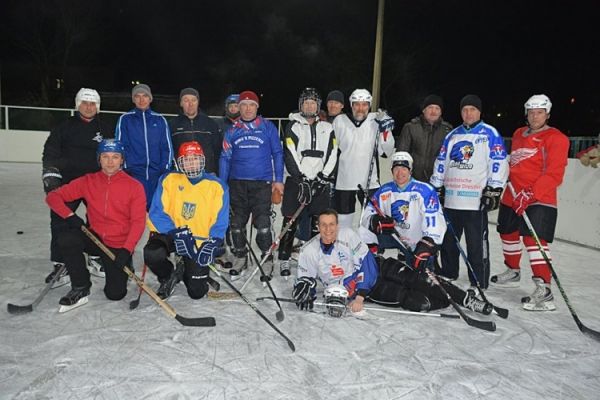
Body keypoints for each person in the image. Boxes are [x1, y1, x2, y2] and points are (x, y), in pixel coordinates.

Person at [293, 209, 491, 316]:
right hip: (369, 289)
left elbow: (367, 263)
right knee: (416, 301)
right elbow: (305, 280)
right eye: (323, 225)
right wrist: (304, 292)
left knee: (418, 279)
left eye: (332, 225)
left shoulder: (347, 235)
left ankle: (465, 299)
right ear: (317, 226)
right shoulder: (308, 251)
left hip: (376, 269)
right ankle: (448, 299)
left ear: (337, 225)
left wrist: (360, 296)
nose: (328, 230)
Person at [45, 139, 146, 312]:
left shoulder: (134, 186)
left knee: (115, 294)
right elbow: (53, 197)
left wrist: (126, 250)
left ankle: (125, 265)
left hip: (118, 244)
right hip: (94, 237)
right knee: (67, 238)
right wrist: (70, 216)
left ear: (122, 159)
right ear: (99, 159)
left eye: (115, 157)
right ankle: (81, 287)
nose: (110, 162)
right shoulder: (88, 181)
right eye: (105, 156)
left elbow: (138, 222)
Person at [492, 94, 569, 311]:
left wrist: (530, 193)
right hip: (512, 194)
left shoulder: (557, 138)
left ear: (547, 114)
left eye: (540, 112)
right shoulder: (519, 134)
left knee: (533, 240)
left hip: (539, 197)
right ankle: (513, 271)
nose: (535, 117)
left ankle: (544, 289)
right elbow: (516, 162)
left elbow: (554, 174)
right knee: (507, 232)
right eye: (531, 112)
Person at [430, 94, 509, 289]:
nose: (468, 113)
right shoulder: (452, 135)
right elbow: (441, 162)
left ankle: (478, 279)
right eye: (465, 110)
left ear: (479, 112)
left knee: (476, 244)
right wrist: (437, 186)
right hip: (452, 199)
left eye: (472, 109)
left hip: (475, 201)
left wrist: (494, 189)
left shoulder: (490, 133)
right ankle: (449, 271)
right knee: (449, 241)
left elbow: (498, 162)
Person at [42, 88, 114, 285]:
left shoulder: (106, 128)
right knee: (60, 220)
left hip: (95, 182)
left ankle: (95, 255)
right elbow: (50, 151)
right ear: (77, 104)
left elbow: (114, 154)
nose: (88, 107)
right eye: (84, 103)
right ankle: (61, 262)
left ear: (98, 107)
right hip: (69, 182)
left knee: (98, 220)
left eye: (92, 104)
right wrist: (50, 173)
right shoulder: (64, 127)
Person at [145, 141, 229, 299]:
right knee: (152, 253)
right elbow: (156, 213)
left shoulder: (217, 186)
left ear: (202, 160)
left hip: (197, 242)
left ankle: (185, 269)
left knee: (197, 292)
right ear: (180, 162)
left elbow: (221, 221)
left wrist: (213, 242)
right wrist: (176, 232)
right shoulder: (169, 179)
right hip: (172, 234)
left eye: (195, 159)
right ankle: (167, 275)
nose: (191, 163)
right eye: (186, 160)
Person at [219, 90, 284, 279]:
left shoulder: (267, 127)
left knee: (263, 224)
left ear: (257, 107)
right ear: (239, 108)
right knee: (236, 224)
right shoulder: (232, 130)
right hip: (237, 184)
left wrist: (278, 180)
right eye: (244, 105)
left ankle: (267, 257)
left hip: (262, 183)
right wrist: (222, 185)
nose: (248, 109)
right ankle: (241, 256)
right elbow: (225, 158)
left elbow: (277, 153)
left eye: (251, 105)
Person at [278, 88, 338, 276]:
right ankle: (284, 258)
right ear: (301, 106)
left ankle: (315, 258)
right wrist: (301, 179)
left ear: (318, 106)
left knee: (318, 222)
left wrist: (323, 177)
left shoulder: (327, 127)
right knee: (290, 219)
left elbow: (333, 153)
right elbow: (290, 153)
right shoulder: (293, 126)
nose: (310, 106)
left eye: (313, 103)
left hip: (320, 182)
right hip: (297, 182)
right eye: (306, 103)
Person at [359, 152, 446, 260]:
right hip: (395, 238)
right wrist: (375, 220)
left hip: (417, 244)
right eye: (396, 169)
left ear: (410, 170)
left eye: (404, 168)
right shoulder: (384, 190)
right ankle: (373, 260)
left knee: (421, 265)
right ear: (392, 171)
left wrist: (428, 243)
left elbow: (434, 221)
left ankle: (423, 258)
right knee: (362, 232)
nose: (399, 173)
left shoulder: (425, 190)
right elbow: (367, 214)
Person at [332, 88, 395, 229]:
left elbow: (386, 152)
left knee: (371, 221)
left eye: (364, 104)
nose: (360, 108)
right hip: (344, 182)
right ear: (351, 105)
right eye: (357, 104)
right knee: (343, 222)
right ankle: (345, 242)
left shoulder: (376, 120)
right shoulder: (340, 121)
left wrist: (386, 131)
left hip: (369, 182)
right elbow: (332, 151)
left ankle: (369, 243)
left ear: (369, 106)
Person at [115, 83, 173, 209]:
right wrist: (127, 167)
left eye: (145, 96)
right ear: (133, 99)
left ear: (150, 99)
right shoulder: (125, 119)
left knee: (156, 211)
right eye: (137, 96)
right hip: (134, 174)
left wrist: (164, 169)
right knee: (135, 210)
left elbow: (166, 147)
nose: (141, 100)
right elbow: (120, 146)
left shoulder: (160, 120)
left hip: (156, 175)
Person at [396, 94, 453, 182]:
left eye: (437, 108)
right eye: (430, 107)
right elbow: (400, 155)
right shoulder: (410, 127)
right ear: (424, 110)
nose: (433, 111)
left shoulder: (447, 131)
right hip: (412, 181)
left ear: (441, 112)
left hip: (438, 181)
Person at [169, 88, 222, 175]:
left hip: (206, 174)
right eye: (186, 100)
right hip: (181, 174)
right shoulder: (172, 124)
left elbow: (218, 150)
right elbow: (169, 151)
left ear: (198, 102)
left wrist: (215, 171)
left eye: (193, 100)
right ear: (181, 103)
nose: (190, 104)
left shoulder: (210, 124)